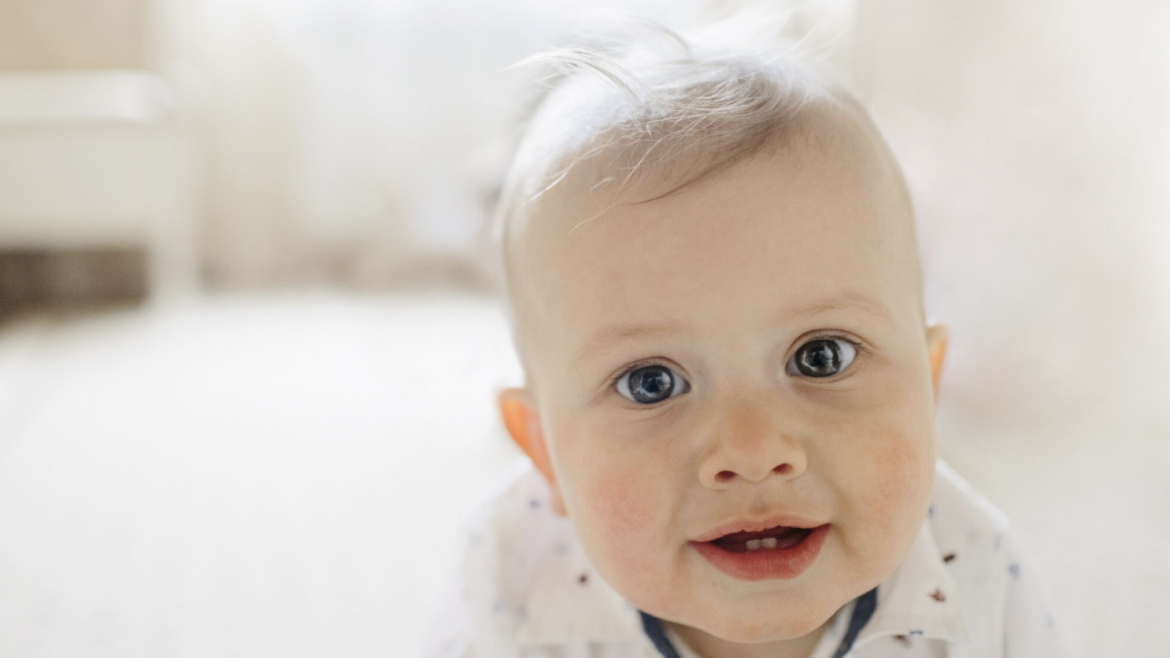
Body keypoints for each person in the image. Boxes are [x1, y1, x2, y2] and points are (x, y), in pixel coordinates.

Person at [422, 17, 1065, 658]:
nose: (753, 452)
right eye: (652, 383)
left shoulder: (975, 578)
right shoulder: (511, 584)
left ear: (927, 385)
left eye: (820, 357)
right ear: (543, 451)